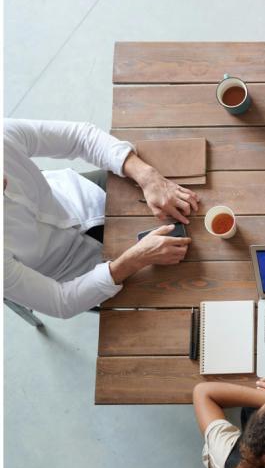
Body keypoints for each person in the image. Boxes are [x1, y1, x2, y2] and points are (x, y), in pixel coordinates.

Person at [4, 118, 198, 319]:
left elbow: (80, 138)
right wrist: (135, 259)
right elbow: (60, 302)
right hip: (81, 272)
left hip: (83, 194)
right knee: (174, 299)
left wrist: (147, 177)